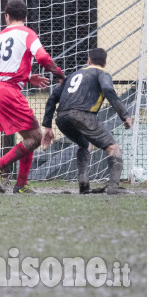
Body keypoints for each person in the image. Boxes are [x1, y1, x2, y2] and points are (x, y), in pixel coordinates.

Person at [0, 0, 65, 194]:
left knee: (28, 137)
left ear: (7, 17)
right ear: (26, 17)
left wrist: (28, 78)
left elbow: (5, 68)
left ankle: (21, 185)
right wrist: (61, 75)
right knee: (37, 137)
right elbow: (43, 57)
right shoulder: (28, 33)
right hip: (9, 91)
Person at [41, 48, 132, 195]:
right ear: (105, 63)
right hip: (83, 116)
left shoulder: (72, 75)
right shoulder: (102, 73)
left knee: (85, 144)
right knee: (113, 149)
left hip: (62, 118)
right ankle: (113, 188)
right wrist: (125, 115)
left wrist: (47, 126)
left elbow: (52, 98)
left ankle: (83, 185)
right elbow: (108, 90)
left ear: (88, 60)